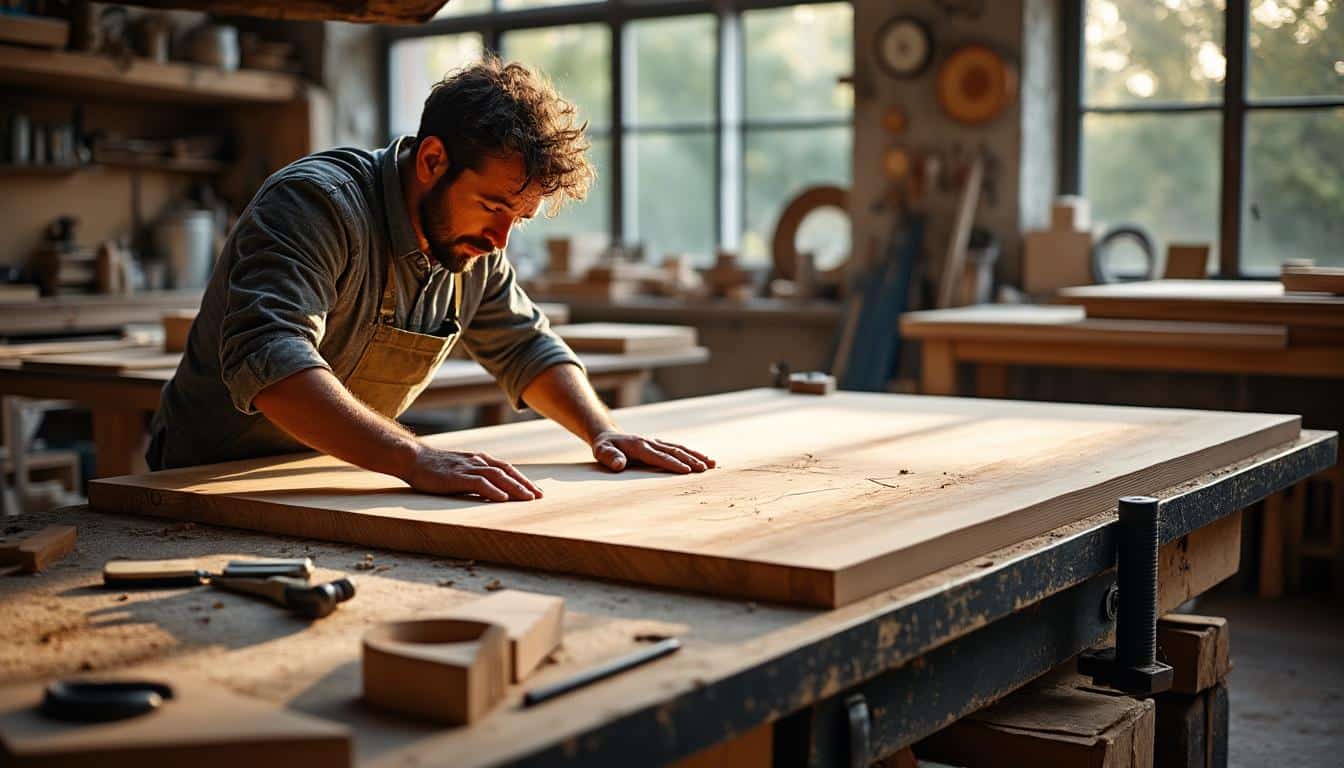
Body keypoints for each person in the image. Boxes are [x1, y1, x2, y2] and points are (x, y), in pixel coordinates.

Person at [147, 56, 714, 502]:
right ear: (433, 161)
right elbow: (272, 360)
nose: (500, 240)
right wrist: (415, 458)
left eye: (517, 219)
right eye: (492, 207)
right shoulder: (316, 204)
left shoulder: (474, 244)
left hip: (327, 482)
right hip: (202, 485)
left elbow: (526, 344)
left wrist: (601, 430)